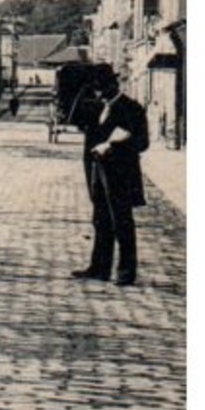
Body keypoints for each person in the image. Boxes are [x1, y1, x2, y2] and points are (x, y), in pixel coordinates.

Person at [71, 67, 150, 287]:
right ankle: (99, 268)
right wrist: (83, 90)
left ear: (112, 86)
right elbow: (73, 116)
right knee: (100, 219)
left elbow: (142, 142)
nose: (97, 92)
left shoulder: (131, 108)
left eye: (99, 87)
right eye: (94, 88)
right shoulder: (97, 108)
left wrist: (113, 146)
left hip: (121, 172)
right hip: (97, 171)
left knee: (121, 221)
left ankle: (126, 272)